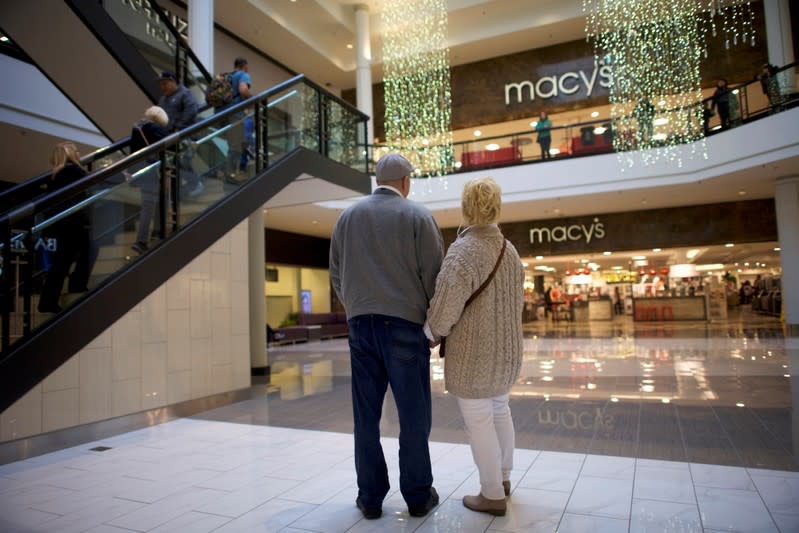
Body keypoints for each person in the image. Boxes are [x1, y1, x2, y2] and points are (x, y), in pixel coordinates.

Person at [329, 153, 444, 520]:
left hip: (361, 327)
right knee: (412, 417)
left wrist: (355, 306)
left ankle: (371, 498)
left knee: (366, 417)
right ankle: (417, 496)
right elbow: (434, 276)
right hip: (406, 328)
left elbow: (336, 272)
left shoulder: (348, 217)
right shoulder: (417, 216)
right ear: (406, 182)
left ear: (377, 180)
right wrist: (432, 323)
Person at [425, 177, 523, 517]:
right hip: (507, 353)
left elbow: (445, 306)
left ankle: (491, 493)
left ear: (466, 207)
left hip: (474, 356)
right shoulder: (509, 250)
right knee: (500, 410)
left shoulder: (463, 250)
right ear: (497, 205)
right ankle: (504, 479)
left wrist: (430, 331)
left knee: (479, 420)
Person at [38, 142, 97, 313]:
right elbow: (92, 182)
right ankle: (76, 285)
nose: (79, 153)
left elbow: (50, 205)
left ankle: (48, 300)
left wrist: (47, 230)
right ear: (70, 154)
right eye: (76, 151)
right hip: (76, 222)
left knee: (61, 262)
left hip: (62, 224)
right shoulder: (74, 171)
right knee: (87, 251)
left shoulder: (55, 175)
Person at [130, 106, 169, 254]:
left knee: (149, 203)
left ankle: (153, 234)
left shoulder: (137, 129)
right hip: (153, 171)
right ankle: (143, 239)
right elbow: (171, 142)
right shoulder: (155, 129)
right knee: (152, 204)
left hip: (141, 172)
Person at [157, 71, 201, 197]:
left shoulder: (185, 93)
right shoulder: (163, 99)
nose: (162, 87)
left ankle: (195, 184)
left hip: (185, 135)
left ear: (173, 81)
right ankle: (174, 194)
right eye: (161, 84)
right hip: (168, 137)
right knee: (171, 164)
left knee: (183, 161)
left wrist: (178, 127)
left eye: (165, 83)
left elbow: (192, 110)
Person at [217, 57, 252, 183]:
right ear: (245, 66)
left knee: (232, 144)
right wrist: (251, 99)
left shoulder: (226, 77)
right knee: (236, 145)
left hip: (220, 114)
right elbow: (243, 90)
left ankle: (226, 169)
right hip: (235, 114)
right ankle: (230, 173)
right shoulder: (243, 75)